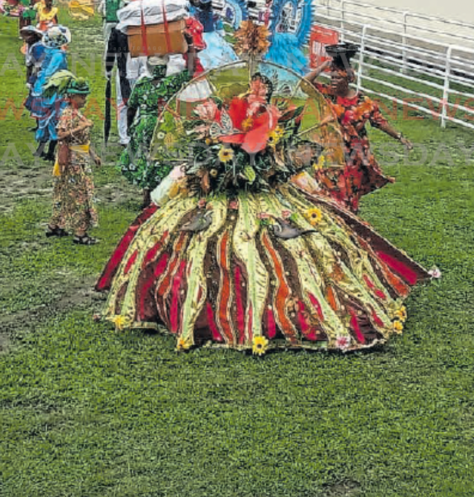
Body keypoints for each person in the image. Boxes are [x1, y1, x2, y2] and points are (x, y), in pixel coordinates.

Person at [96, 66, 431, 354]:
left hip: (258, 183)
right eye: (255, 90)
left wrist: (254, 144)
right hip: (233, 179)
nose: (256, 94)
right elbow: (235, 137)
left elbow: (261, 141)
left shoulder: (267, 119)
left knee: (293, 240)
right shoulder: (238, 115)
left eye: (261, 91)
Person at [305, 44, 412, 212]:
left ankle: (347, 221)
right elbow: (304, 83)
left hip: (352, 157)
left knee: (347, 193)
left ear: (348, 79)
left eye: (337, 78)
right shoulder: (326, 94)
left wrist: (399, 136)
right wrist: (322, 67)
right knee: (326, 191)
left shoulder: (363, 102)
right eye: (331, 77)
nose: (332, 81)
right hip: (329, 153)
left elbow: (379, 122)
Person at [120, 36, 198, 207]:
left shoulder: (142, 84)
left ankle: (146, 195)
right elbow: (191, 70)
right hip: (165, 126)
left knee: (146, 159)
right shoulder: (172, 83)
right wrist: (190, 45)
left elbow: (131, 107)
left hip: (145, 125)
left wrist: (129, 126)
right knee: (163, 159)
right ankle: (161, 194)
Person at [44, 74, 102, 245]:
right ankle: (80, 233)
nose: (84, 99)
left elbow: (84, 140)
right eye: (81, 96)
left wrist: (93, 154)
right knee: (80, 195)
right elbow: (60, 135)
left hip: (80, 157)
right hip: (74, 161)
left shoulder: (76, 113)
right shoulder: (68, 114)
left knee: (64, 192)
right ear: (71, 97)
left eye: (85, 96)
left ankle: (55, 225)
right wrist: (80, 127)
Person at [31, 25, 71, 160]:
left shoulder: (48, 52)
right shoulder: (59, 56)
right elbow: (52, 72)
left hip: (42, 89)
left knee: (44, 120)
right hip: (54, 90)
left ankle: (41, 150)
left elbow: (42, 70)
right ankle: (50, 152)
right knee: (55, 119)